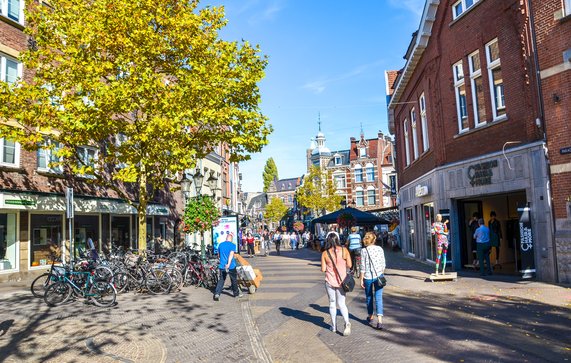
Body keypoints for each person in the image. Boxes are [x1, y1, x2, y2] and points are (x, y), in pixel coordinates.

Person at [321, 231, 353, 336]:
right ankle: (347, 322)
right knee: (342, 304)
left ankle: (334, 327)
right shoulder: (344, 250)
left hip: (330, 281)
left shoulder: (325, 253)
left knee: (332, 303)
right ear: (338, 239)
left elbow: (323, 269)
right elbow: (350, 265)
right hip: (342, 281)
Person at [359, 231, 386, 330]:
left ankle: (370, 316)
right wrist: (381, 273)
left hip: (368, 277)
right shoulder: (379, 249)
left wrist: (361, 279)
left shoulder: (364, 251)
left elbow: (362, 266)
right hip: (379, 276)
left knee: (369, 297)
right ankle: (380, 321)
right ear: (374, 239)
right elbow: (383, 263)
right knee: (378, 298)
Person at [213, 233, 243, 300]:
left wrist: (222, 261)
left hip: (222, 265)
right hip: (231, 266)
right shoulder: (232, 245)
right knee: (234, 280)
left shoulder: (220, 245)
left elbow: (219, 255)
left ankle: (217, 294)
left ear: (226, 238)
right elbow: (231, 255)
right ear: (231, 239)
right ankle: (236, 293)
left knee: (221, 280)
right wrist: (228, 264)